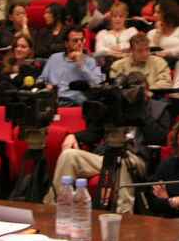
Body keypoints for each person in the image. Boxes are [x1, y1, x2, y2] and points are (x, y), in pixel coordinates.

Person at [44, 71, 170, 213]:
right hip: (107, 156)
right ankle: (54, 208)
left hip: (137, 160)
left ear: (147, 91)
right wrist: (74, 136)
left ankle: (124, 215)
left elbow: (159, 138)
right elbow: (95, 133)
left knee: (122, 163)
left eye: (138, 91)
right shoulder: (117, 105)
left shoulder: (159, 109)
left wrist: (142, 112)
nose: (133, 96)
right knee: (69, 155)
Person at [38, 27, 105, 105]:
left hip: (74, 101)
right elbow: (41, 79)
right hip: (51, 100)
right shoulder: (54, 58)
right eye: (75, 41)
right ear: (66, 43)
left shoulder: (91, 61)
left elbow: (97, 85)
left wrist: (82, 65)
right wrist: (46, 85)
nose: (80, 43)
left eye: (82, 40)